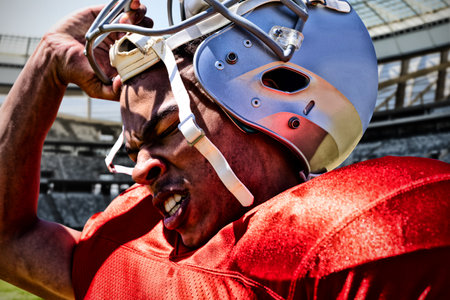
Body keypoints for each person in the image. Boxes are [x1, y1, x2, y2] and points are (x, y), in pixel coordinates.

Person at [0, 0, 449, 299]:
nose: (138, 171)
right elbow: (7, 240)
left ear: (267, 100)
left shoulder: (356, 241)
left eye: (166, 128)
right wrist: (47, 63)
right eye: (134, 147)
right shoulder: (130, 248)